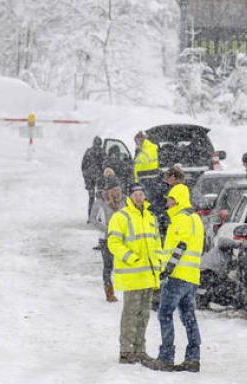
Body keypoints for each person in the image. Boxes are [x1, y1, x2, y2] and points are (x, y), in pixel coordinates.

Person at [144, 183, 204, 373]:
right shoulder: (196, 219)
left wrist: (166, 270)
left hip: (177, 276)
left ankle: (166, 357)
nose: (167, 203)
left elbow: (180, 246)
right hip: (192, 277)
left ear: (177, 200)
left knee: (164, 314)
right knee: (189, 317)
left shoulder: (180, 219)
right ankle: (193, 358)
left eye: (169, 199)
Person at [107, 183, 164, 365]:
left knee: (144, 315)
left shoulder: (150, 217)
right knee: (130, 314)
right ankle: (126, 351)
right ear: (129, 197)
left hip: (148, 275)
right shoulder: (121, 217)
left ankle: (140, 350)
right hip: (132, 276)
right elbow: (114, 243)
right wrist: (131, 258)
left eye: (141, 194)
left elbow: (156, 244)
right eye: (136, 194)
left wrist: (159, 264)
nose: (139, 197)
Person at [96, 171, 124, 302]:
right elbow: (94, 220)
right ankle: (109, 292)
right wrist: (108, 229)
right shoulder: (101, 203)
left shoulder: (124, 202)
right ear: (109, 190)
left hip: (122, 239)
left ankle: (128, 290)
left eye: (119, 189)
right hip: (106, 239)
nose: (117, 192)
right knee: (108, 266)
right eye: (115, 190)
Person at [81, 136, 106, 220]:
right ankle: (95, 217)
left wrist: (86, 178)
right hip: (98, 178)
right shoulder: (102, 152)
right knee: (98, 198)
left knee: (93, 198)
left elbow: (83, 166)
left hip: (92, 178)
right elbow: (105, 165)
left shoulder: (89, 152)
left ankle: (91, 217)